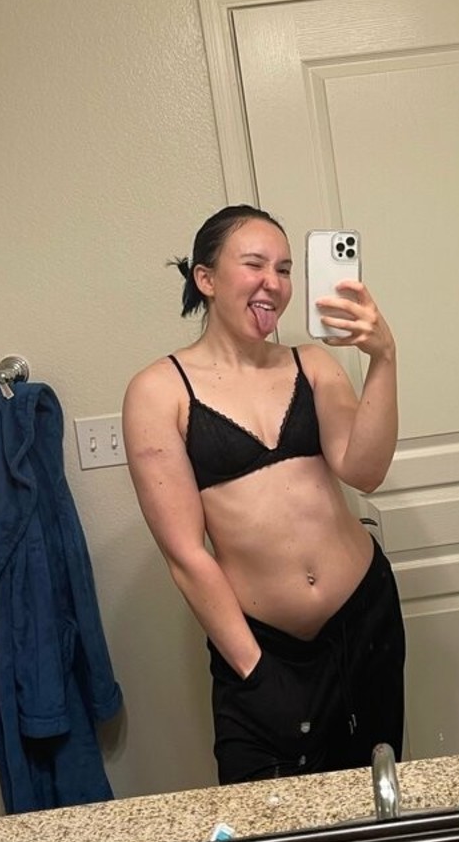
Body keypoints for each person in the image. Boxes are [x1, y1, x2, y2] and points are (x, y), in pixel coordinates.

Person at [122, 203, 404, 783]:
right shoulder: (158, 391)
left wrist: (383, 358)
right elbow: (186, 554)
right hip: (262, 648)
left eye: (284, 269)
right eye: (254, 264)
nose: (272, 283)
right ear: (206, 278)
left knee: (377, 799)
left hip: (364, 621)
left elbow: (365, 470)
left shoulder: (312, 364)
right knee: (268, 824)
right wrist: (255, 671)